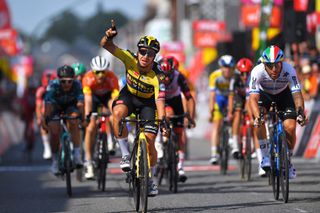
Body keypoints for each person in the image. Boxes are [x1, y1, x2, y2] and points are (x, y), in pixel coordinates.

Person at [100, 19, 167, 196]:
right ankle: (124, 154)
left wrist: (164, 119)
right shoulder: (129, 58)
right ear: (137, 52)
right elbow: (106, 46)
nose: (145, 56)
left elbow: (160, 99)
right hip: (129, 96)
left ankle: (150, 180)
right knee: (117, 114)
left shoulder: (158, 75)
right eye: (142, 51)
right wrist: (108, 37)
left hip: (148, 103)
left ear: (155, 57)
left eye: (150, 54)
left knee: (150, 140)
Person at [249, 45, 307, 179]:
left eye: (277, 65)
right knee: (259, 120)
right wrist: (258, 116)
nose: (274, 69)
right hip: (264, 95)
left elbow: (297, 94)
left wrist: (300, 111)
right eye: (270, 65)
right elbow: (253, 98)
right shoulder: (257, 71)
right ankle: (264, 157)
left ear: (282, 62)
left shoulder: (289, 70)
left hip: (283, 95)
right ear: (264, 65)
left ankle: (288, 161)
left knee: (290, 127)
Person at [156, 56, 196, 182]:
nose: (166, 79)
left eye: (169, 75)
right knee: (166, 115)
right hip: (160, 101)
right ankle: (162, 142)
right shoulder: (156, 77)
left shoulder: (179, 76)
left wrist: (190, 116)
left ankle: (180, 166)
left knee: (180, 133)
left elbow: (189, 97)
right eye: (164, 75)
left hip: (175, 100)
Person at [42, 65, 85, 175]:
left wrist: (82, 117)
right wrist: (45, 120)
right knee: (55, 131)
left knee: (74, 121)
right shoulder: (53, 85)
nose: (66, 84)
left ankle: (76, 154)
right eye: (63, 81)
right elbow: (47, 104)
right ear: (58, 80)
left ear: (73, 80)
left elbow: (80, 104)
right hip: (56, 107)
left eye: (69, 81)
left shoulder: (77, 85)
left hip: (70, 106)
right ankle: (55, 161)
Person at [82, 56, 119, 180]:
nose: (101, 75)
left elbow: (114, 99)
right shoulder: (87, 78)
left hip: (107, 97)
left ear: (107, 71)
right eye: (97, 72)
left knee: (114, 113)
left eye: (103, 71)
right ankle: (88, 162)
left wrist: (114, 113)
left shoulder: (112, 77)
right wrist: (88, 115)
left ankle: (110, 139)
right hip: (94, 98)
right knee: (91, 127)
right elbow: (87, 100)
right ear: (93, 71)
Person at [208, 55, 237, 164]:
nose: (227, 70)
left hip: (232, 97)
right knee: (216, 124)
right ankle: (214, 153)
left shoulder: (236, 75)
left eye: (230, 67)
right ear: (221, 67)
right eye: (225, 67)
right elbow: (212, 95)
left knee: (234, 117)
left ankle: (231, 137)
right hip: (219, 98)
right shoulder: (215, 76)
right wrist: (211, 111)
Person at [35, 69, 57, 160]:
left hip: (56, 111)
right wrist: (39, 117)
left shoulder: (57, 89)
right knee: (43, 124)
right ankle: (46, 146)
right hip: (46, 112)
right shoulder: (41, 91)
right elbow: (38, 106)